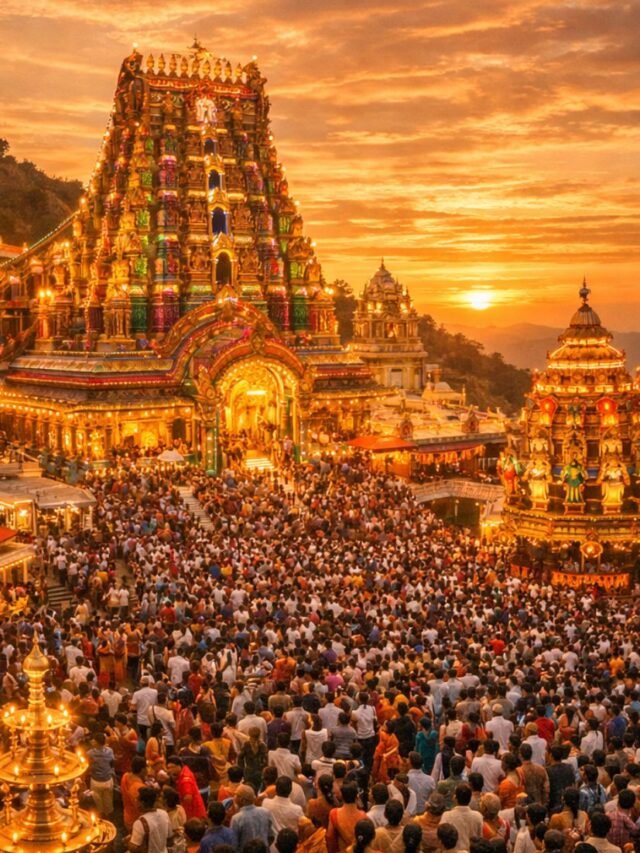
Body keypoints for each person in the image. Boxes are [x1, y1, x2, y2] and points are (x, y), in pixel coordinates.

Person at [129, 786, 173, 853]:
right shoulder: (164, 814)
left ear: (142, 803)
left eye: (137, 799)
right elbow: (170, 841)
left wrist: (128, 841)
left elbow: (134, 849)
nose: (135, 801)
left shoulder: (140, 823)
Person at [230, 784, 274, 849]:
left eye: (236, 795)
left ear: (242, 800)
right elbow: (271, 836)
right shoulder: (265, 812)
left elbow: (233, 844)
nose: (234, 797)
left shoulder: (237, 818)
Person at [441, 785, 483, 853]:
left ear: (455, 798)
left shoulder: (446, 816)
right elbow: (480, 837)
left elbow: (442, 838)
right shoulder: (478, 816)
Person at [327, 783, 367, 853]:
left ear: (342, 796)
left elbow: (330, 837)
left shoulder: (334, 813)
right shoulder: (363, 816)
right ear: (356, 797)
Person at [87, 732, 115, 818]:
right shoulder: (110, 751)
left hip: (96, 781)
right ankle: (109, 817)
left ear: (96, 742)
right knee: (108, 801)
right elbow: (112, 763)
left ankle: (101, 818)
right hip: (108, 780)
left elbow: (87, 765)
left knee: (98, 803)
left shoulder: (90, 753)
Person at [121, 755, 148, 831]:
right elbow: (143, 808)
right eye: (146, 768)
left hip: (127, 815)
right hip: (136, 820)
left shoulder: (125, 776)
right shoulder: (139, 788)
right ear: (142, 770)